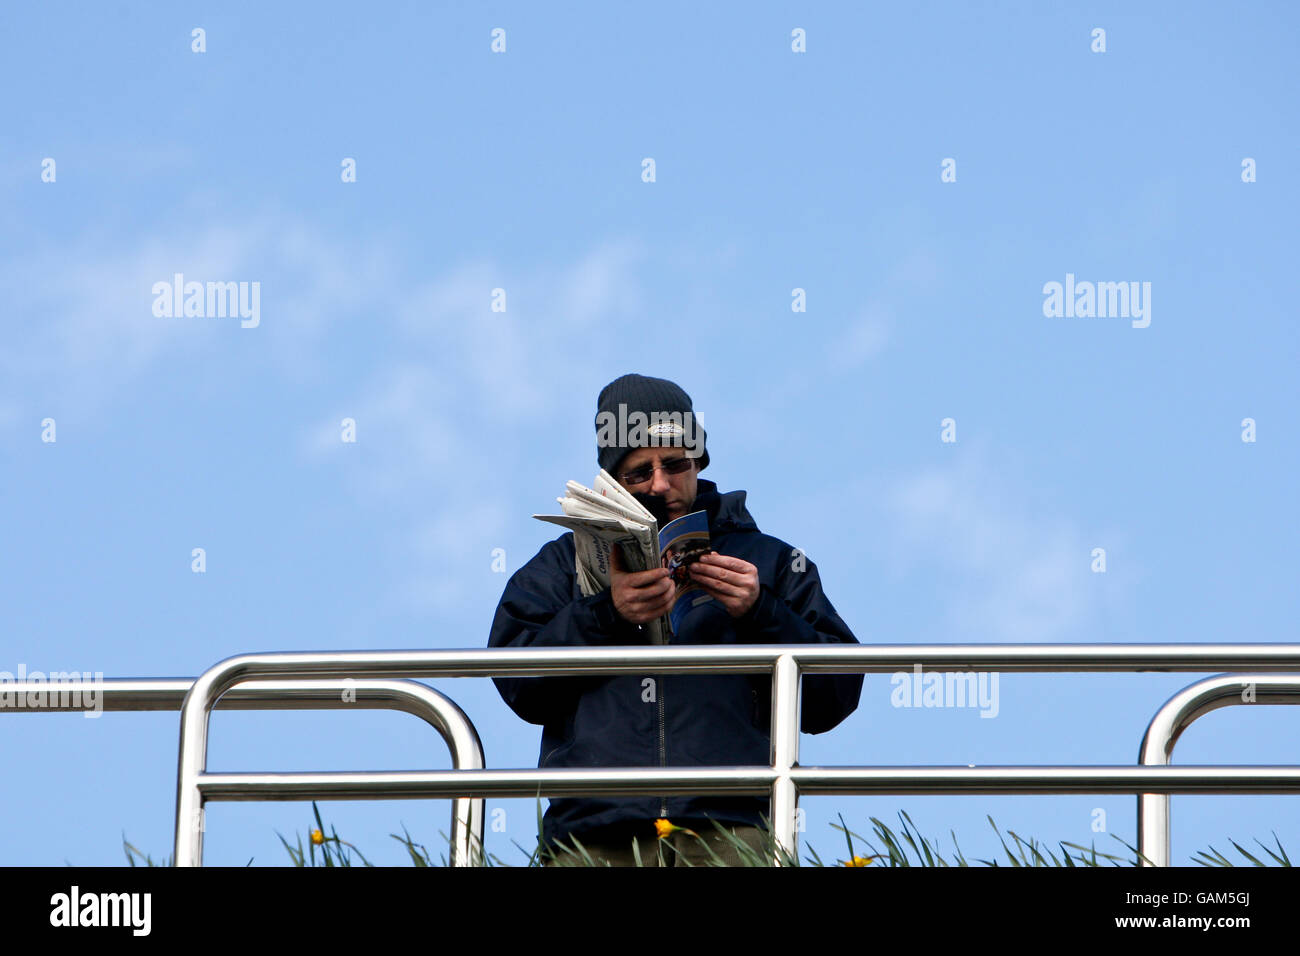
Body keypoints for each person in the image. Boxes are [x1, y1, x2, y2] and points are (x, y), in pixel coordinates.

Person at [487, 374, 863, 865]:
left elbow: (835, 695)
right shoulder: (562, 565)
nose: (660, 484)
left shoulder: (769, 562)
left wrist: (761, 611)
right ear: (613, 482)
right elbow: (518, 680)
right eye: (639, 473)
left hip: (732, 831)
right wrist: (606, 613)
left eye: (674, 464)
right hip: (594, 836)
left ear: (699, 460)